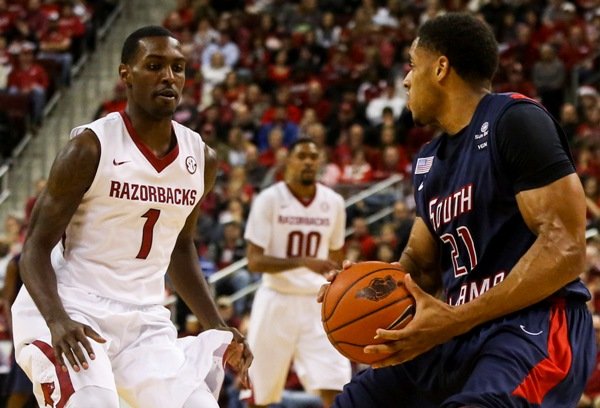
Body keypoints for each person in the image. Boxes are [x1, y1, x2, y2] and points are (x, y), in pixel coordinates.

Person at [321, 13, 596, 407]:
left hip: (534, 323)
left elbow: (567, 249)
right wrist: (368, 286)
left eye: (413, 65)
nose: (405, 80)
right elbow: (420, 263)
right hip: (458, 329)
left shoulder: (514, 121)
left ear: (441, 67)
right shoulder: (428, 162)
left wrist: (456, 318)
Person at [11, 25, 251, 408]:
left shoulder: (200, 157)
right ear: (126, 74)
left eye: (178, 68)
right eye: (154, 66)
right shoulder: (89, 147)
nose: (168, 77)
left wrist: (217, 325)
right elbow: (35, 249)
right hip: (73, 308)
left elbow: (181, 248)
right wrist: (56, 319)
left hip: (145, 322)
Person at [244, 138, 351, 407]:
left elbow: (335, 259)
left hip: (317, 302)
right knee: (260, 391)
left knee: (336, 385)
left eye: (313, 157)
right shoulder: (269, 199)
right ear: (288, 161)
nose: (308, 161)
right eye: (301, 155)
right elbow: (254, 261)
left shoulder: (334, 202)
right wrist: (303, 261)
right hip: (276, 299)